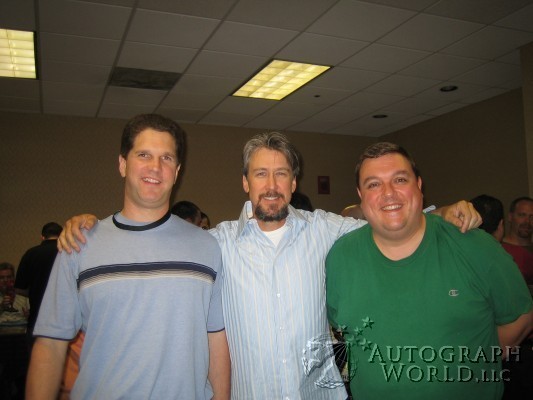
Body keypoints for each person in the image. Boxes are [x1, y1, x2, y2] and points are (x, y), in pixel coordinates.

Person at [58, 132, 480, 399]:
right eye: (261, 174)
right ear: (246, 183)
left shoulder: (325, 230)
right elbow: (155, 241)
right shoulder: (215, 243)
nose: (272, 185)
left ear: (294, 183)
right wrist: (93, 226)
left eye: (281, 174)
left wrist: (442, 213)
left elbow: (389, 217)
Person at [26, 114, 230, 399]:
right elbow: (50, 344)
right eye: (144, 155)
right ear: (122, 164)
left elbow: (216, 337)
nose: (155, 167)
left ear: (177, 172)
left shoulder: (206, 247)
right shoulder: (80, 243)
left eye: (166, 158)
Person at [326, 142, 533, 400]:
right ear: (360, 194)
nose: (388, 193)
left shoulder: (474, 246)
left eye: (400, 180)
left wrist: (471, 365)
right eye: (374, 184)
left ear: (419, 185)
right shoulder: (340, 257)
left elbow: (521, 318)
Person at [14, 222, 63, 347]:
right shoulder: (68, 252)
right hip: (63, 319)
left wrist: (35, 291)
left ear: (42, 237)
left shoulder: (31, 254)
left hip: (37, 319)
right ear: (61, 235)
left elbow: (19, 288)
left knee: (37, 356)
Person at [501, 197, 533, 287]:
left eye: (532, 217)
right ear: (510, 217)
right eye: (522, 215)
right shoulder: (499, 249)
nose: (527, 221)